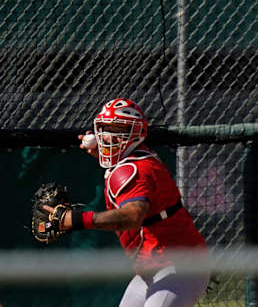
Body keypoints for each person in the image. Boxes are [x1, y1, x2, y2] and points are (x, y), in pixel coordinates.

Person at [44, 98, 210, 307]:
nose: (107, 136)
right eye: (104, 128)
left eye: (118, 130)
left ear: (136, 134)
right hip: (154, 267)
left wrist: (77, 219)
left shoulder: (132, 170)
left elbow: (133, 216)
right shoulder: (134, 161)